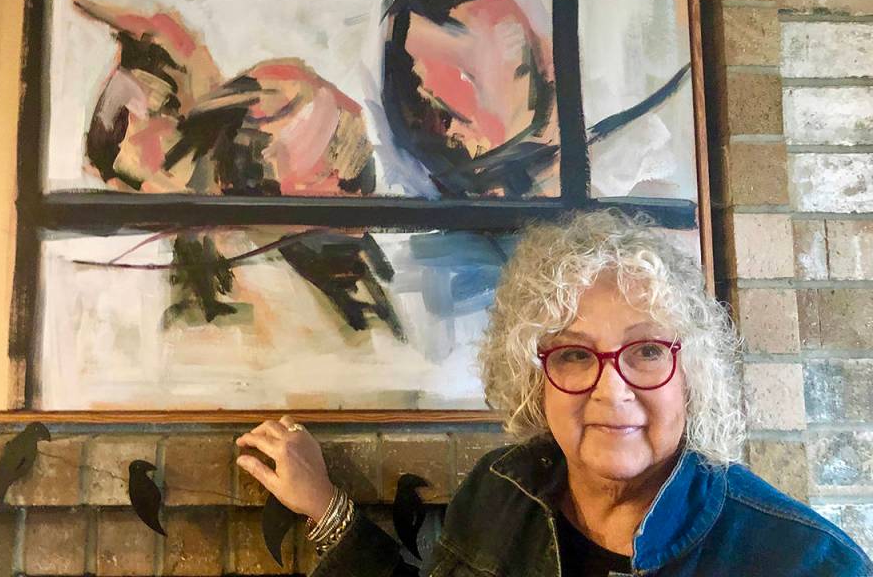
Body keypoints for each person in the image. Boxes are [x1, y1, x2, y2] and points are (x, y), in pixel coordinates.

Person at [235, 210, 873, 576]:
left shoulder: (807, 562)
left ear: (692, 374)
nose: (611, 390)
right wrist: (325, 509)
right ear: (533, 377)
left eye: (647, 351)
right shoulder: (501, 489)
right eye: (573, 354)